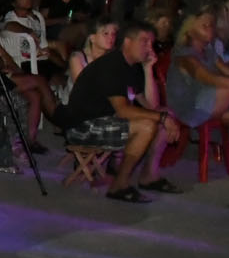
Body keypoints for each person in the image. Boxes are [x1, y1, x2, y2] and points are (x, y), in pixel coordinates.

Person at [59, 21, 181, 202]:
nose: (150, 48)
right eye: (144, 42)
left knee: (165, 114)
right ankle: (120, 184)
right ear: (127, 42)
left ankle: (149, 175)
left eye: (152, 43)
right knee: (147, 125)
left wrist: (148, 69)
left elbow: (151, 106)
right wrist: (160, 117)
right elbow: (123, 111)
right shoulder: (112, 65)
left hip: (106, 120)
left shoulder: (132, 65)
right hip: (82, 127)